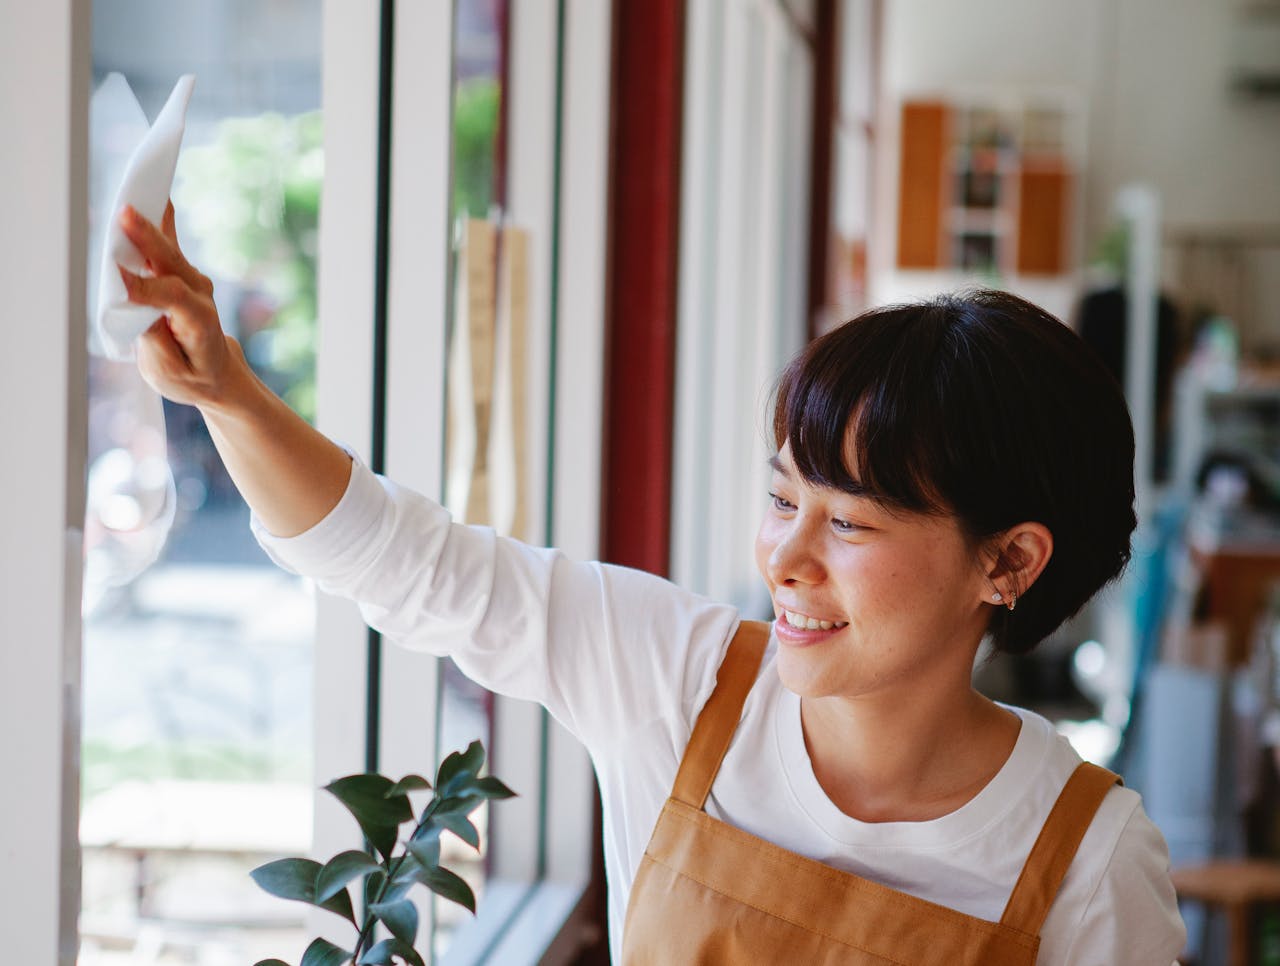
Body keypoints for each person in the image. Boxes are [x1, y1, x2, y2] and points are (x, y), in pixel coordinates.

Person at [118, 202, 1186, 964]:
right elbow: (401, 560)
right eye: (781, 500)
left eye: (849, 521)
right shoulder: (676, 681)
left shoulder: (1084, 861)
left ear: (1006, 561)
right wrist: (230, 393)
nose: (784, 559)